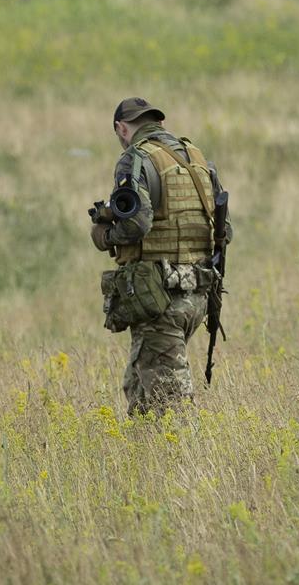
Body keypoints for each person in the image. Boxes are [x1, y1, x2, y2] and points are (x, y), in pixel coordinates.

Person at [89, 98, 230, 415]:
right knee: (140, 392)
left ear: (121, 128)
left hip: (159, 297)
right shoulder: (195, 158)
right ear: (158, 123)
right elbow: (224, 229)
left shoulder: (135, 159)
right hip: (197, 294)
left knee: (170, 407)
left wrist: (105, 235)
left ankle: (189, 465)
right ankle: (143, 461)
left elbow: (136, 224)